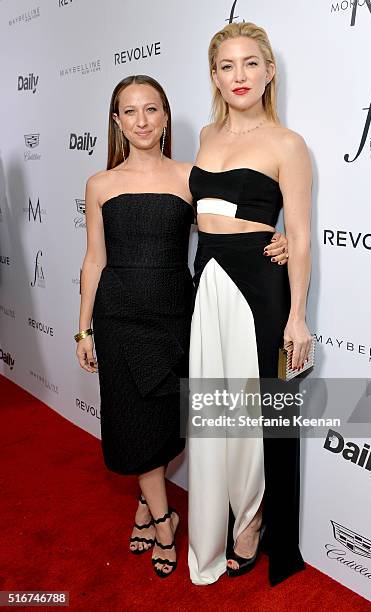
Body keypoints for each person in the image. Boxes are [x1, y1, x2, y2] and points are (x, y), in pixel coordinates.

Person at [75, 74, 288, 578]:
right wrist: (83, 327)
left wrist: (277, 239)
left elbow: (228, 226)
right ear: (116, 121)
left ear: (166, 117)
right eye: (130, 112)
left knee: (168, 423)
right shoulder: (99, 184)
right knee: (133, 418)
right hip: (118, 315)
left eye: (152, 110)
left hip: (176, 313)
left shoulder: (190, 176)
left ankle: (146, 505)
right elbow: (93, 260)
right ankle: (165, 518)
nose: (142, 121)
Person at [187, 22, 312, 586]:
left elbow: (302, 236)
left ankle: (256, 521)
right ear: (214, 77)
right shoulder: (206, 137)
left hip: (260, 287)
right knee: (217, 411)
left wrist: (299, 316)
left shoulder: (287, 144)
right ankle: (226, 513)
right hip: (208, 279)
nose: (239, 76)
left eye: (250, 64)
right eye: (226, 66)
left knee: (257, 412)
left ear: (269, 72)